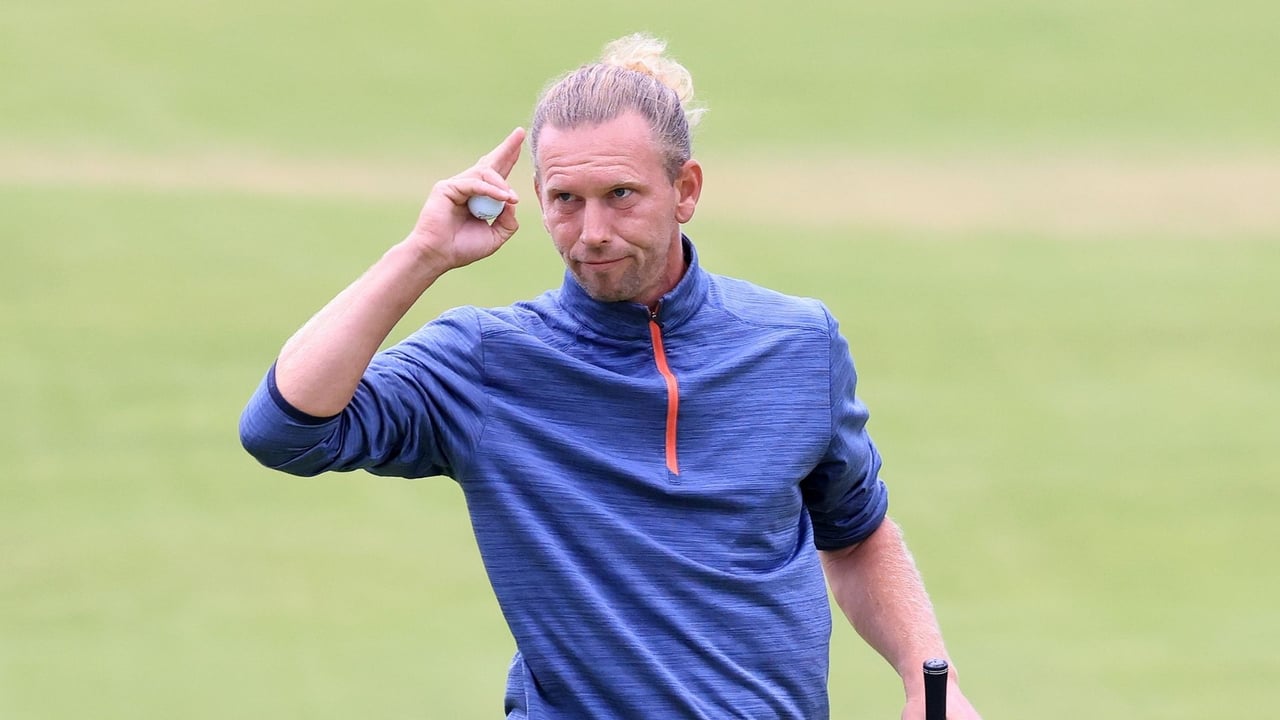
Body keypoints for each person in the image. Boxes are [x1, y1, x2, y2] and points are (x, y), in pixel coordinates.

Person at [239, 33, 981, 720]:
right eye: (566, 200)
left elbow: (853, 533)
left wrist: (926, 677)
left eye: (620, 196)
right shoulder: (483, 365)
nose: (591, 233)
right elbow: (283, 429)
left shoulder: (795, 343)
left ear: (685, 190)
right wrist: (422, 254)